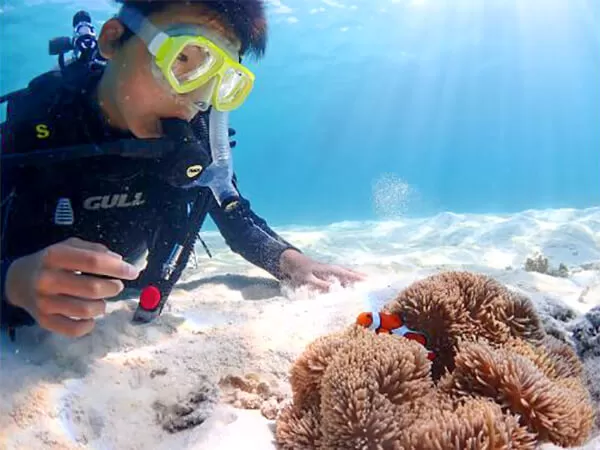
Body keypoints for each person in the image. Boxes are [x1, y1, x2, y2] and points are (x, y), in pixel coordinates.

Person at [0, 0, 365, 340]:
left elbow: (233, 214)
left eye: (218, 80)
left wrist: (292, 262)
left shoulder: (197, 135)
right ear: (112, 39)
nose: (194, 97)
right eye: (185, 59)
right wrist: (12, 283)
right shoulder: (38, 122)